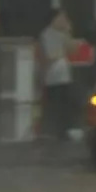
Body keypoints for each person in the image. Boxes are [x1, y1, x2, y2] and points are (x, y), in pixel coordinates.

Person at [39, 8, 83, 141]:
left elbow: (73, 51)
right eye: (62, 18)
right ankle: (53, 131)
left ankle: (65, 130)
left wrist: (69, 33)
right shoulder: (48, 34)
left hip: (64, 75)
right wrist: (64, 50)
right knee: (56, 104)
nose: (64, 21)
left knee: (67, 103)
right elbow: (51, 55)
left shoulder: (62, 34)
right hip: (53, 76)